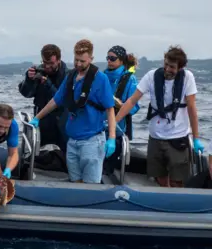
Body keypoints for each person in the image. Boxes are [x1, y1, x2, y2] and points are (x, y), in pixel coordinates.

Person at [29, 39, 116, 184]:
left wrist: (112, 137)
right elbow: (56, 100)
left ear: (91, 59)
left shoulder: (101, 79)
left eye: (82, 61)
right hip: (72, 141)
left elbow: (110, 109)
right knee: (75, 182)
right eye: (76, 60)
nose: (78, 64)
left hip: (92, 141)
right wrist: (37, 118)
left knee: (91, 185)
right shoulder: (71, 76)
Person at [116, 46, 205, 187]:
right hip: (156, 137)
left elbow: (192, 108)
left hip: (178, 137)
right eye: (166, 64)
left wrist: (196, 138)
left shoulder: (188, 78)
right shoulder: (151, 76)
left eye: (172, 67)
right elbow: (132, 100)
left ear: (180, 68)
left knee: (177, 180)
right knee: (159, 177)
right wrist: (115, 121)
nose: (168, 69)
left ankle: (177, 205)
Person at [18, 44, 69, 151]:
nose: (47, 66)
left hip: (61, 123)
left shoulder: (67, 75)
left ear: (59, 60)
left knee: (63, 155)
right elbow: (26, 94)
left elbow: (62, 100)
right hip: (41, 121)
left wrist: (48, 84)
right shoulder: (39, 71)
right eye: (45, 63)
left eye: (51, 63)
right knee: (43, 155)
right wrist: (29, 80)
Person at [102, 46, 140, 174]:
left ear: (122, 61)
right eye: (108, 58)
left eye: (112, 58)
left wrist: (121, 105)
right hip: (99, 125)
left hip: (118, 127)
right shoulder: (102, 77)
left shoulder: (130, 80)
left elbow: (134, 106)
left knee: (108, 165)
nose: (109, 61)